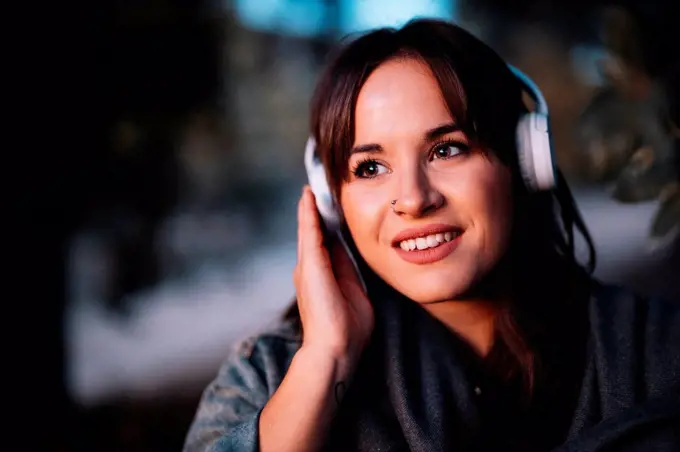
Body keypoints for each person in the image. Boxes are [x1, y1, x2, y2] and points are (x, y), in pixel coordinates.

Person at [183, 19, 680, 452]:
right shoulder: (266, 377)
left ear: (526, 161)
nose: (414, 199)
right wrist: (326, 359)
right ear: (333, 200)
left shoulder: (657, 346)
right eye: (371, 166)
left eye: (447, 150)